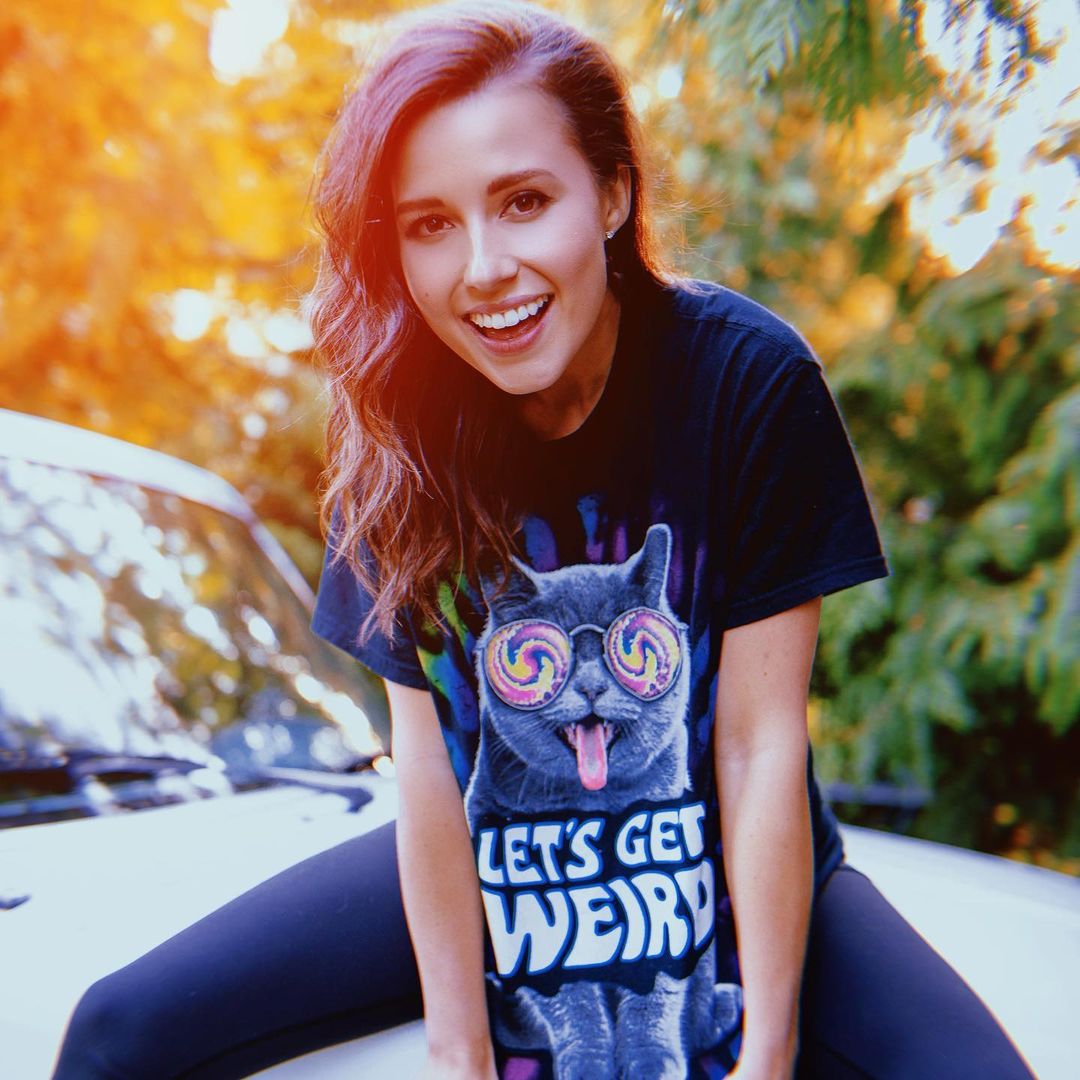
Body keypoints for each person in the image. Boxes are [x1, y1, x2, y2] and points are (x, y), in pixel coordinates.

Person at [53, 3, 1036, 1078]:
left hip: (712, 848)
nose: (483, 267)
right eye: (430, 224)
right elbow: (427, 771)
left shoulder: (745, 379)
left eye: (523, 202)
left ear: (612, 193)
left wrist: (766, 1053)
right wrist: (460, 1048)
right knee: (116, 1032)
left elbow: (758, 754)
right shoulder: (395, 432)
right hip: (495, 856)